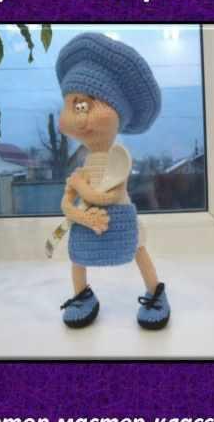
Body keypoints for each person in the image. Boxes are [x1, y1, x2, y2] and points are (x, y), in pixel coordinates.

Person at [55, 32, 171, 331]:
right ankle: (81, 295)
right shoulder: (83, 166)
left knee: (137, 247)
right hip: (86, 221)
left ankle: (155, 291)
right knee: (77, 257)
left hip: (117, 218)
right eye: (70, 106)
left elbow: (111, 194)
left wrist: (81, 188)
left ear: (118, 112)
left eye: (84, 105)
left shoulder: (118, 159)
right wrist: (76, 210)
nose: (77, 117)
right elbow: (68, 201)